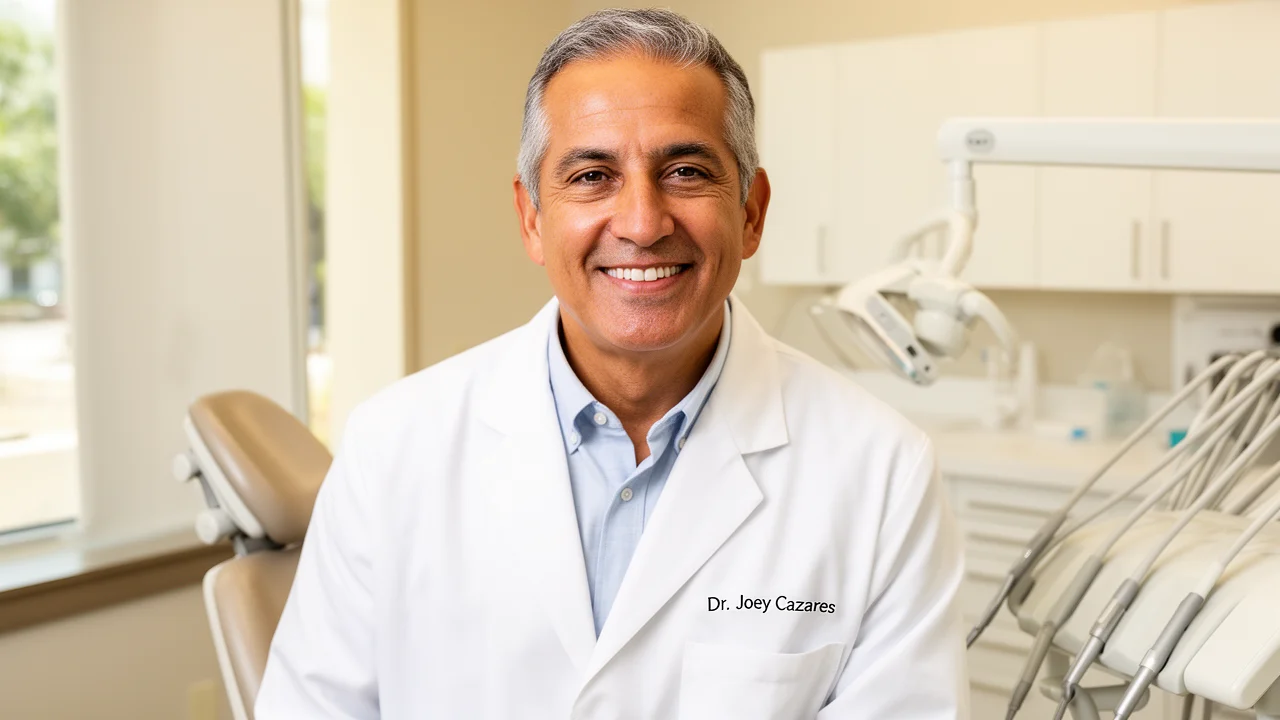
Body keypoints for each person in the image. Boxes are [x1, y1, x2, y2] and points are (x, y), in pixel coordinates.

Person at [256, 8, 968, 719]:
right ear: (533, 217)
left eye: (686, 172)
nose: (641, 222)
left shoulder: (881, 473)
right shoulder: (392, 447)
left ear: (751, 213)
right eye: (593, 175)